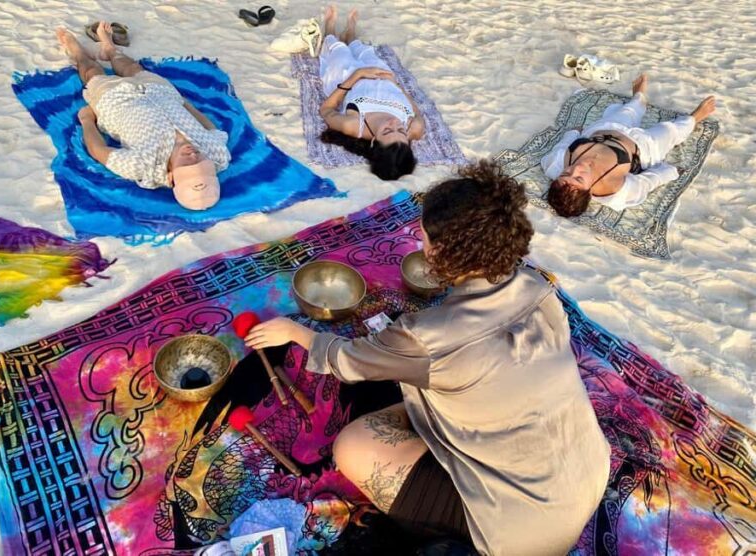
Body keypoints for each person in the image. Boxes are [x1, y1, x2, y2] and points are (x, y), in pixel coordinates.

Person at [244, 160, 612, 555]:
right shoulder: (537, 285)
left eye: (423, 239)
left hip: (521, 535)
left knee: (353, 446)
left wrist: (296, 332)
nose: (420, 246)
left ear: (446, 251)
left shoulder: (426, 337)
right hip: (588, 475)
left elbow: (348, 361)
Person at [56, 23, 231, 210]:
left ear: (171, 177)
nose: (193, 156)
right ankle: (109, 49)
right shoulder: (217, 155)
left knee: (92, 73)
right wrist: (185, 103)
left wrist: (87, 121)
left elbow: (98, 150)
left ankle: (78, 53)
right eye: (201, 161)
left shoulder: (142, 167)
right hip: (161, 93)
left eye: (188, 164)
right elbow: (210, 126)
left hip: (115, 101)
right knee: (131, 67)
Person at [541, 74, 716, 216]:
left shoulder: (553, 164)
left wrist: (573, 133)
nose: (576, 168)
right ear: (590, 191)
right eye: (579, 178)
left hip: (604, 130)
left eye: (567, 173)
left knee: (631, 108)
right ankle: (696, 116)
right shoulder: (617, 190)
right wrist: (670, 172)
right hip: (643, 147)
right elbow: (648, 182)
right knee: (670, 130)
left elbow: (563, 145)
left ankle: (639, 96)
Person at [318, 6, 424, 181]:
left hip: (347, 77)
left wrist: (356, 76)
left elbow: (326, 110)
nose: (394, 122)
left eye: (388, 130)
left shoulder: (354, 126)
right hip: (383, 77)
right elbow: (417, 113)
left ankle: (330, 28)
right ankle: (350, 32)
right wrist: (397, 85)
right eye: (401, 130)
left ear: (374, 141)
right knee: (362, 49)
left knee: (339, 50)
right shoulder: (415, 129)